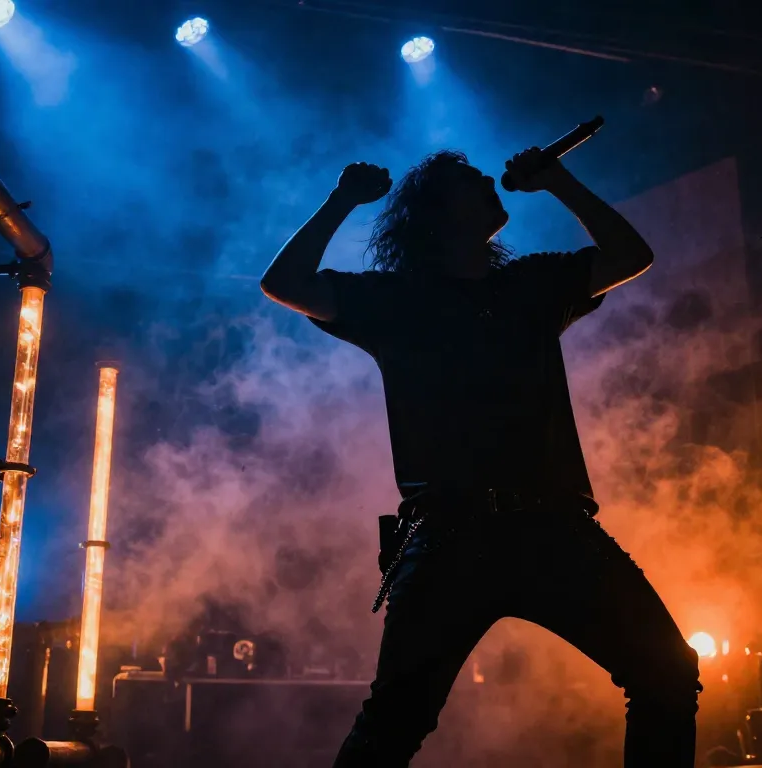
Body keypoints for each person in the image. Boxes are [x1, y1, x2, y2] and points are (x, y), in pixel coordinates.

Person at [261, 147, 701, 767]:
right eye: (471, 180)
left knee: (668, 674)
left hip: (554, 530)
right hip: (451, 536)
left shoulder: (532, 285)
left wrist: (560, 180)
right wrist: (342, 201)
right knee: (396, 720)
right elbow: (283, 283)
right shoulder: (395, 300)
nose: (490, 181)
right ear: (438, 212)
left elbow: (632, 256)